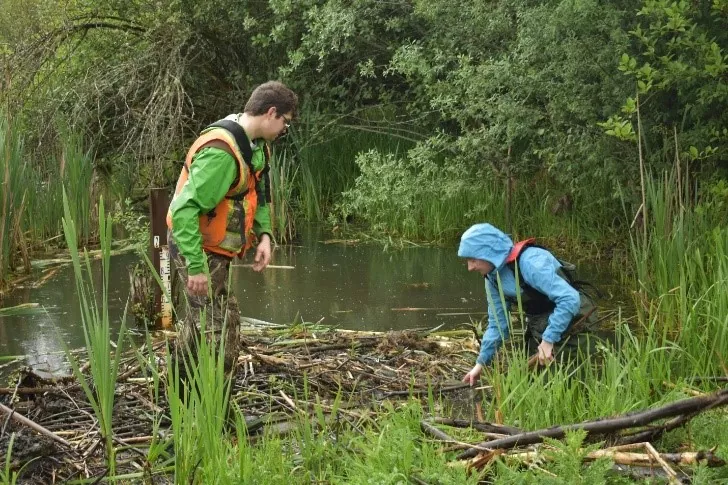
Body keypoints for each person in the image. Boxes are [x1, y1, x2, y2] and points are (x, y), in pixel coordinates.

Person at [167, 80, 298, 373]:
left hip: (215, 247)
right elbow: (183, 211)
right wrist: (197, 266)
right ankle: (211, 399)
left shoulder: (255, 146)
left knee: (209, 322)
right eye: (285, 123)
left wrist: (264, 235)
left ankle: (182, 390)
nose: (283, 131)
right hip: (195, 245)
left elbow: (257, 191)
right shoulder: (221, 154)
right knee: (216, 330)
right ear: (271, 113)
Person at [459, 223, 599, 385]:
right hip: (540, 323)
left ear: (488, 253)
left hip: (575, 318)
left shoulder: (532, 262)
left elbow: (569, 299)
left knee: (567, 383)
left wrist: (548, 340)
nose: (470, 267)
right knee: (531, 383)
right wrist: (481, 363)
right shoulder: (492, 278)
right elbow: (498, 325)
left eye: (472, 260)